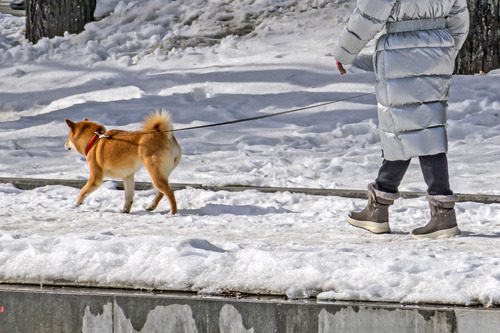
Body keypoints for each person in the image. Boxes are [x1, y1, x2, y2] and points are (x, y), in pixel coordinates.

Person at [333, 0, 469, 239]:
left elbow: (369, 13)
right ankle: (382, 205)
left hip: (400, 52)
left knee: (402, 128)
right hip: (438, 48)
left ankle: (440, 212)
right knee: (424, 128)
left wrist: (345, 52)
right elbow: (459, 15)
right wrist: (446, 48)